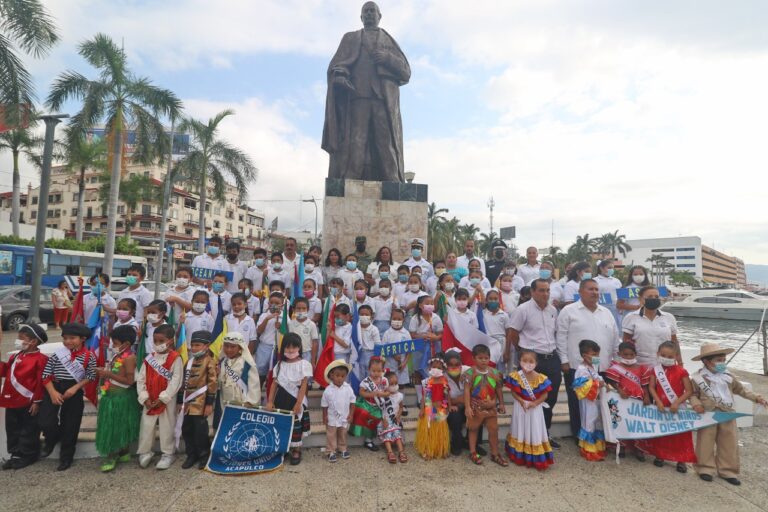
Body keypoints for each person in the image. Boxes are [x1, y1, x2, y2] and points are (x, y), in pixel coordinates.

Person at [690, 342, 768, 486]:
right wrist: (696, 404)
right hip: (708, 414)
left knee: (729, 442)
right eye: (718, 361)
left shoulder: (728, 376)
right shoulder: (698, 378)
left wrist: (757, 398)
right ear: (707, 361)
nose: (722, 363)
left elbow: (742, 390)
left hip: (728, 413)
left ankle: (728, 471)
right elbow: (692, 394)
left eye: (723, 360)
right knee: (705, 442)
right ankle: (705, 468)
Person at [557, 279, 619, 438]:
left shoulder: (606, 312)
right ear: (581, 292)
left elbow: (614, 338)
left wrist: (616, 361)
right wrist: (564, 360)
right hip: (577, 367)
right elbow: (561, 336)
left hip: (602, 366)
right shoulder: (569, 311)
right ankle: (579, 435)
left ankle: (604, 434)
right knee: (578, 403)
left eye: (597, 289)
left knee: (603, 401)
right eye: (591, 289)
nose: (595, 292)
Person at [508, 279, 560, 443]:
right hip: (531, 360)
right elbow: (513, 333)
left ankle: (545, 433)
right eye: (542, 290)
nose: (545, 294)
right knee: (529, 397)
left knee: (550, 397)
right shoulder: (523, 310)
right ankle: (527, 435)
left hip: (551, 356)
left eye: (547, 290)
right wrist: (523, 351)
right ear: (532, 292)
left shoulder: (553, 310)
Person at [39, 322, 96, 471]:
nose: (68, 341)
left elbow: (90, 376)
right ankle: (51, 439)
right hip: (54, 387)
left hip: (74, 389)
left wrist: (75, 388)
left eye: (72, 338)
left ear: (82, 338)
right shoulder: (57, 354)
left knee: (71, 424)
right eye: (65, 338)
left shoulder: (89, 356)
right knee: (46, 420)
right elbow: (45, 375)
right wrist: (52, 392)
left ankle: (66, 457)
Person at [639, 341, 697, 473]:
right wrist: (658, 402)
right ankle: (660, 456)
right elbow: (651, 387)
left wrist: (677, 402)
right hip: (661, 406)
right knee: (662, 432)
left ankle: (681, 460)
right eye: (663, 355)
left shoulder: (682, 371)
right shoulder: (655, 370)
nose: (666, 358)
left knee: (680, 433)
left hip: (677, 407)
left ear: (676, 356)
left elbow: (689, 391)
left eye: (670, 356)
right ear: (658, 354)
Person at [0, 323, 48, 470]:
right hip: (11, 399)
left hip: (28, 401)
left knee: (28, 429)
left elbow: (41, 382)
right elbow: (5, 372)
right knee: (12, 428)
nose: (18, 340)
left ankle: (28, 454)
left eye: (21, 338)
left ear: (33, 341)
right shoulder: (15, 356)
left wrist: (37, 401)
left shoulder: (40, 359)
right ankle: (15, 453)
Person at [136, 324, 183, 470]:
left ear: (170, 341)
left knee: (167, 425)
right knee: (147, 425)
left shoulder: (176, 358)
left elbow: (176, 380)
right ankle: (145, 452)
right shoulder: (149, 358)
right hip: (150, 398)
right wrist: (144, 397)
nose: (157, 344)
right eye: (155, 341)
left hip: (166, 399)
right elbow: (141, 378)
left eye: (161, 341)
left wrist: (164, 397)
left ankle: (168, 453)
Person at [94, 325, 140, 472]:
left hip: (121, 398)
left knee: (115, 428)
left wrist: (108, 375)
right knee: (118, 426)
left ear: (126, 344)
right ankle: (123, 453)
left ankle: (112, 456)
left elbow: (129, 381)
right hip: (111, 395)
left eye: (115, 343)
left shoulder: (129, 358)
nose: (113, 346)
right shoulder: (118, 355)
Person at [266, 333, 312, 465]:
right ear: (283, 348)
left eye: (294, 347)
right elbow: (274, 384)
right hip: (281, 398)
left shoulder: (304, 364)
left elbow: (303, 385)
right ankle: (283, 448)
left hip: (296, 399)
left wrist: (298, 403)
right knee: (282, 424)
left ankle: (296, 450)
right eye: (287, 347)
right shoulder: (279, 365)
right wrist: (270, 401)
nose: (291, 350)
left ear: (299, 348)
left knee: (295, 424)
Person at [505, 349, 554, 470]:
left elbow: (545, 395)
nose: (528, 363)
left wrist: (535, 402)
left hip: (535, 408)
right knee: (520, 428)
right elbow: (513, 392)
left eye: (531, 361)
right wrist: (521, 401)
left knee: (534, 429)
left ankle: (536, 456)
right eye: (524, 360)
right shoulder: (516, 376)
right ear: (519, 361)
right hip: (520, 407)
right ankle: (520, 454)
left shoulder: (541, 378)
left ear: (536, 363)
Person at [178, 330, 217, 470]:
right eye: (192, 345)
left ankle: (204, 455)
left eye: (197, 345)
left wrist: (209, 404)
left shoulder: (210, 362)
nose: (194, 348)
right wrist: (179, 402)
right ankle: (191, 455)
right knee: (187, 430)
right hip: (188, 404)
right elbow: (183, 383)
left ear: (206, 346)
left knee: (201, 432)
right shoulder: (189, 362)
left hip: (201, 404)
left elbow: (212, 384)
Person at [604, 342, 649, 461]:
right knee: (622, 422)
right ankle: (622, 446)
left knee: (638, 423)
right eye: (625, 355)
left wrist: (647, 396)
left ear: (635, 354)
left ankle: (639, 448)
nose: (628, 357)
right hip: (622, 398)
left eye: (631, 354)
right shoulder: (615, 368)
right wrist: (619, 390)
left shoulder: (641, 368)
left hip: (637, 399)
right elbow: (612, 382)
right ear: (619, 354)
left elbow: (644, 385)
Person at [464, 344, 507, 466]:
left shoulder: (495, 373)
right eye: (480, 358)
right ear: (474, 358)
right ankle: (473, 452)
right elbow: (466, 390)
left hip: (491, 407)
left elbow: (498, 389)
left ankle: (495, 453)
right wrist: (467, 407)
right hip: (475, 407)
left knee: (493, 430)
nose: (483, 360)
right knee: (473, 429)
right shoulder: (469, 373)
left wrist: (501, 404)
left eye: (486, 358)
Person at [622, 285, 679, 366]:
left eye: (656, 296)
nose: (654, 299)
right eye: (650, 296)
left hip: (665, 364)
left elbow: (674, 342)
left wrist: (680, 362)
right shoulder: (631, 317)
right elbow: (626, 343)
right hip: (640, 364)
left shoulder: (669, 317)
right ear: (640, 299)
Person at [216, 332, 261, 427]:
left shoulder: (247, 364)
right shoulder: (223, 362)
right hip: (225, 402)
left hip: (243, 403)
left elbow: (254, 385)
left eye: (233, 347)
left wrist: (250, 401)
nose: (229, 350)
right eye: (226, 346)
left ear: (240, 347)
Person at [572, 339, 606, 461]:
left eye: (597, 354)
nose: (596, 357)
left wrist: (601, 383)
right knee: (589, 422)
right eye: (593, 355)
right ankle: (588, 450)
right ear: (584, 355)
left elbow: (596, 378)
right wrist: (598, 383)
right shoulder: (582, 369)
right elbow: (581, 386)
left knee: (597, 421)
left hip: (595, 399)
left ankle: (597, 446)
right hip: (588, 401)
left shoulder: (592, 367)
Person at [415, 355, 450, 460]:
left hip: (440, 409)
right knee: (429, 431)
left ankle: (440, 450)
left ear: (443, 369)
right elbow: (423, 398)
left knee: (440, 431)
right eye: (434, 367)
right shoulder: (426, 382)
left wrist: (448, 406)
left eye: (439, 368)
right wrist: (421, 410)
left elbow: (446, 396)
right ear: (429, 368)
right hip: (428, 409)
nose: (436, 370)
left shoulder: (444, 382)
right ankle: (427, 450)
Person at [321, 360, 356, 463]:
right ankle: (331, 451)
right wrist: (324, 416)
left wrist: (351, 414)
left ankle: (342, 449)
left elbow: (352, 401)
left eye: (342, 376)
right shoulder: (328, 390)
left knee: (343, 433)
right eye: (337, 375)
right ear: (331, 375)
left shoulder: (348, 388)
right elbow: (324, 405)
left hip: (344, 417)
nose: (340, 378)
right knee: (331, 434)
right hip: (332, 417)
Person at [255, 292, 284, 383]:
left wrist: (281, 327)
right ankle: (258, 392)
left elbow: (287, 332)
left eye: (277, 303)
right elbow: (259, 331)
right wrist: (267, 319)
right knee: (261, 369)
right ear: (268, 304)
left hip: (278, 348)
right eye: (272, 302)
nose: (274, 305)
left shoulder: (285, 316)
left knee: (276, 370)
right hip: (264, 347)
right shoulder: (264, 315)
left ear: (282, 305)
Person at [409, 295, 443, 368]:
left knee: (432, 367)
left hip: (433, 348)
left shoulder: (436, 318)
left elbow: (441, 334)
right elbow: (412, 335)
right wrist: (422, 336)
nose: (430, 306)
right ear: (420, 305)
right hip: (419, 349)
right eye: (427, 304)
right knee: (419, 368)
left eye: (432, 304)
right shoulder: (415, 318)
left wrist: (436, 338)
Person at [481, 289, 511, 371]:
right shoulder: (482, 314)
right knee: (489, 365)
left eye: (495, 299)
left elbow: (509, 333)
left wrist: (507, 351)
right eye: (490, 299)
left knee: (500, 368)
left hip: (501, 343)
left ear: (499, 300)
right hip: (488, 343)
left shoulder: (504, 315)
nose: (493, 301)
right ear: (486, 301)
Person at [444, 350, 467, 456]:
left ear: (461, 365)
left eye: (457, 365)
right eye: (450, 365)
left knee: (477, 410)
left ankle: (475, 445)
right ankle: (457, 444)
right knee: (454, 416)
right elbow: (442, 399)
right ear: (446, 366)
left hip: (467, 405)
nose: (454, 368)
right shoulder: (442, 378)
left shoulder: (468, 372)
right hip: (452, 407)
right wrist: (457, 400)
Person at [287, 297, 320, 371]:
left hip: (307, 354)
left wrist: (313, 360)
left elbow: (315, 343)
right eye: (298, 308)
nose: (301, 311)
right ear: (293, 310)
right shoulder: (290, 324)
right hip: (293, 353)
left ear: (308, 310)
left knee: (306, 375)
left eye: (303, 308)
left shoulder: (312, 324)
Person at [381, 309, 411, 386]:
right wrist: (393, 355)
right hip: (390, 365)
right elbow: (383, 350)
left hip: (402, 365)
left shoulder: (406, 333)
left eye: (399, 319)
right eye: (394, 319)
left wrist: (404, 363)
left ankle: (401, 398)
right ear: (390, 319)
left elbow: (409, 351)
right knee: (389, 385)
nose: (396, 321)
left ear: (403, 320)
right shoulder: (387, 333)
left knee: (401, 385)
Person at [594, 259, 622, 330]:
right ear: (601, 268)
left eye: (612, 268)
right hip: (600, 308)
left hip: (615, 309)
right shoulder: (595, 280)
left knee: (615, 327)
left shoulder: (616, 281)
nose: (611, 270)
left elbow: (620, 295)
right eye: (609, 268)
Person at [357, 304, 381, 376]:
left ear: (371, 316)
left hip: (370, 354)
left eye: (366, 314)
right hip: (359, 354)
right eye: (362, 314)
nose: (364, 316)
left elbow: (377, 344)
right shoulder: (356, 328)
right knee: (360, 373)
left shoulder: (374, 329)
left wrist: (376, 358)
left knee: (370, 374)